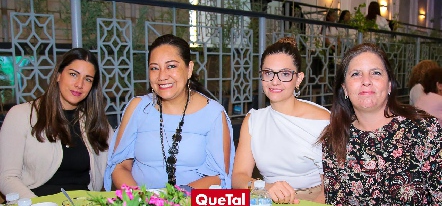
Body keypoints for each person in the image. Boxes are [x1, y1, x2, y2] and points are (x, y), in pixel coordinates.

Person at [105, 34, 234, 190]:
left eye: (171, 66)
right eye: (154, 68)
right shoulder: (137, 108)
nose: (162, 76)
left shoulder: (213, 113)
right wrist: (140, 199)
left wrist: (173, 199)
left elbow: (219, 176)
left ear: (189, 69)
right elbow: (120, 166)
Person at [319, 43, 442, 205]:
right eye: (356, 74)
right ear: (345, 89)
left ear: (389, 84)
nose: (366, 81)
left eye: (376, 73)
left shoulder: (424, 130)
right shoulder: (334, 138)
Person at [0, 48, 112, 198]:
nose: (80, 84)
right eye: (73, 74)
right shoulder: (21, 115)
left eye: (88, 79)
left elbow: (120, 164)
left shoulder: (96, 123)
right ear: (58, 75)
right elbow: (6, 178)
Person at [232, 37, 330, 204]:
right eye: (268, 73)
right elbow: (238, 178)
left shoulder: (323, 121)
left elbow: (330, 187)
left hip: (313, 199)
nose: (274, 81)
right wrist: (263, 187)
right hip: (266, 197)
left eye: (285, 74)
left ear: (298, 79)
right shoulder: (254, 120)